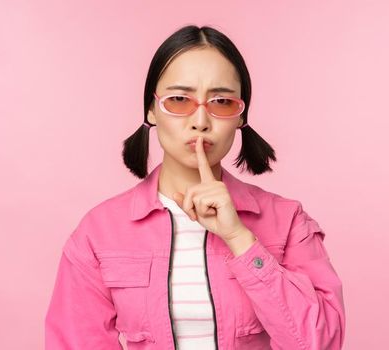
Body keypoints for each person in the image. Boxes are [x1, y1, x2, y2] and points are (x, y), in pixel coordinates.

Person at [45, 24, 346, 349]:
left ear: (240, 116)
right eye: (178, 99)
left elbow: (320, 342)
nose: (200, 120)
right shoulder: (99, 232)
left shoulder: (287, 221)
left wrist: (239, 238)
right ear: (151, 109)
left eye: (221, 102)